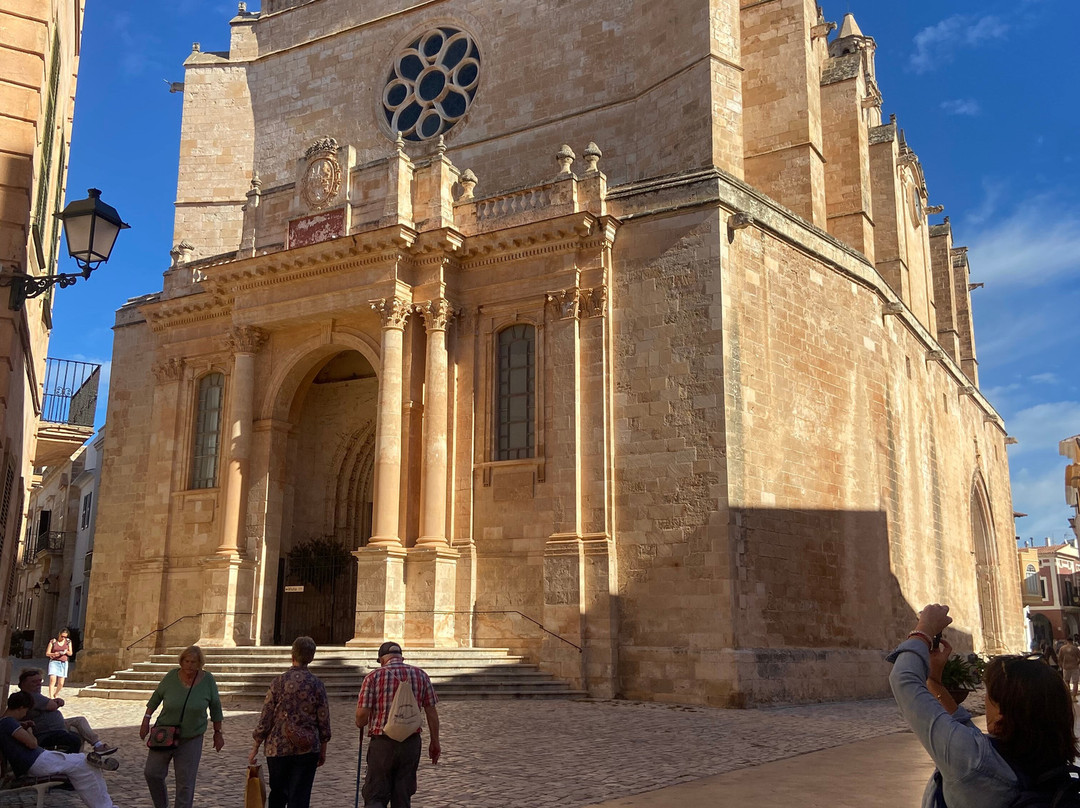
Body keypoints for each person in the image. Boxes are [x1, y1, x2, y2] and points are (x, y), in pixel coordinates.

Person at [889, 603, 1079, 808]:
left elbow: (904, 679)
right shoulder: (1040, 757)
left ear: (1003, 714)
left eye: (989, 695)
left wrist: (924, 630)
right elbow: (961, 726)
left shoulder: (974, 760)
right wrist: (934, 681)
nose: (985, 700)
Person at [355, 641, 441, 808]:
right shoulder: (421, 675)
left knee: (375, 794)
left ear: (382, 659)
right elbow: (431, 713)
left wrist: (359, 721)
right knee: (403, 796)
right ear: (402, 657)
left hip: (382, 744)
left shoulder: (373, 677)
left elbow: (362, 717)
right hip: (411, 742)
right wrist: (435, 742)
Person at [249, 636, 332, 808]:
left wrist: (256, 744)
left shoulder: (278, 682)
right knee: (300, 797)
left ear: (292, 655)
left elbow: (266, 716)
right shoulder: (317, 685)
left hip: (278, 747)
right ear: (312, 657)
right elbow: (323, 719)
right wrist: (323, 747)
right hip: (307, 747)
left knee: (278, 794)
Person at [0, 691, 120, 808]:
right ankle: (105, 804)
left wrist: (22, 726)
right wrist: (29, 729)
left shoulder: (7, 723)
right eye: (26, 711)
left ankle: (106, 802)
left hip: (38, 760)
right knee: (85, 764)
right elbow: (33, 743)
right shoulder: (9, 722)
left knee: (86, 763)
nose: (25, 714)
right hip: (37, 762)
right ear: (21, 707)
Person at [139, 645, 224, 808]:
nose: (190, 665)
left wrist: (218, 732)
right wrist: (146, 719)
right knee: (152, 773)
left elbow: (215, 707)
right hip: (165, 733)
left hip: (191, 737)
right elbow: (156, 697)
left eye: (194, 662)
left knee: (185, 783)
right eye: (187, 661)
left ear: (200, 663)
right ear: (181, 661)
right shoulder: (172, 676)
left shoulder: (208, 680)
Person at [18, 668, 118, 756]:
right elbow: (51, 706)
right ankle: (91, 749)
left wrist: (54, 703)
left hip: (53, 726)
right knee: (78, 727)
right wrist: (56, 703)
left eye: (40, 681)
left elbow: (49, 704)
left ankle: (89, 751)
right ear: (24, 684)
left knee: (78, 728)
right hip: (47, 730)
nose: (39, 684)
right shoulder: (31, 696)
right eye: (34, 682)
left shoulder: (34, 696)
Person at [46, 627, 72, 699]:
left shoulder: (68, 642)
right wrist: (54, 654)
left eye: (65, 637)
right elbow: (47, 653)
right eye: (62, 636)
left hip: (63, 663)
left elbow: (70, 653)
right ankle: (51, 697)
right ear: (59, 634)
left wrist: (65, 651)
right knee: (52, 680)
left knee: (61, 683)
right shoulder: (53, 642)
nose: (63, 638)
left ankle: (55, 693)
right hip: (54, 662)